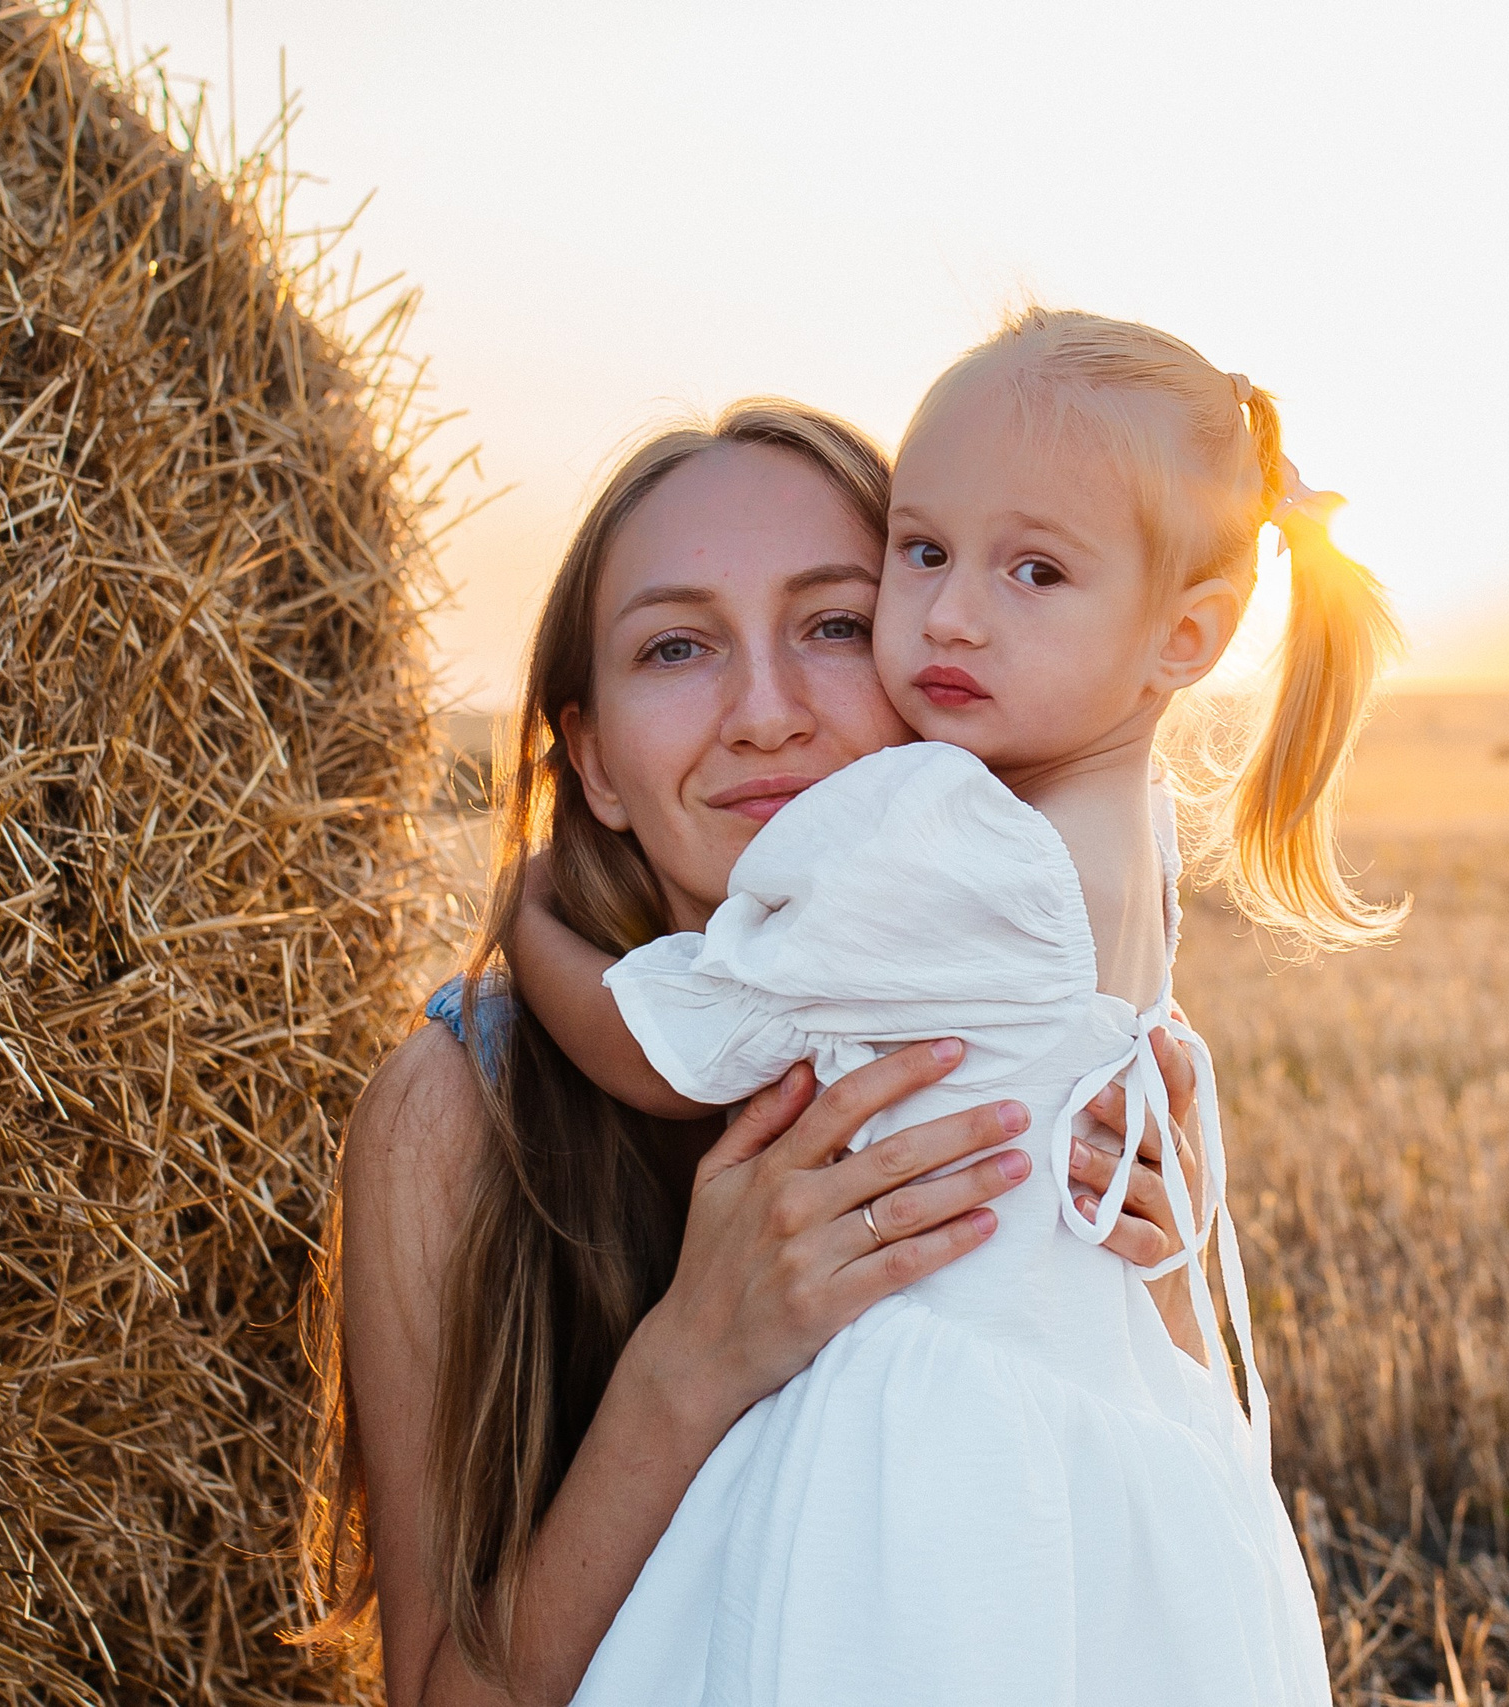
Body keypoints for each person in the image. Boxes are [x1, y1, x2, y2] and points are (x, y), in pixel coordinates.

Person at [509, 308, 1401, 1704]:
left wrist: (527, 928)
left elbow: (662, 1045)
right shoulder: (1136, 845)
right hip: (1115, 1441)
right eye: (921, 553)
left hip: (929, 1440)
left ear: (1186, 636)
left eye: (1035, 569)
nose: (957, 613)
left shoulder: (947, 835)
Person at [309, 400, 1211, 1705]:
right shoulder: (454, 1117)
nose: (766, 713)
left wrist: (1158, 1271)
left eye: (835, 625)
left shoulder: (1036, 1029)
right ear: (597, 764)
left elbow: (1148, 1564)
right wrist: (695, 1360)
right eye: (677, 648)